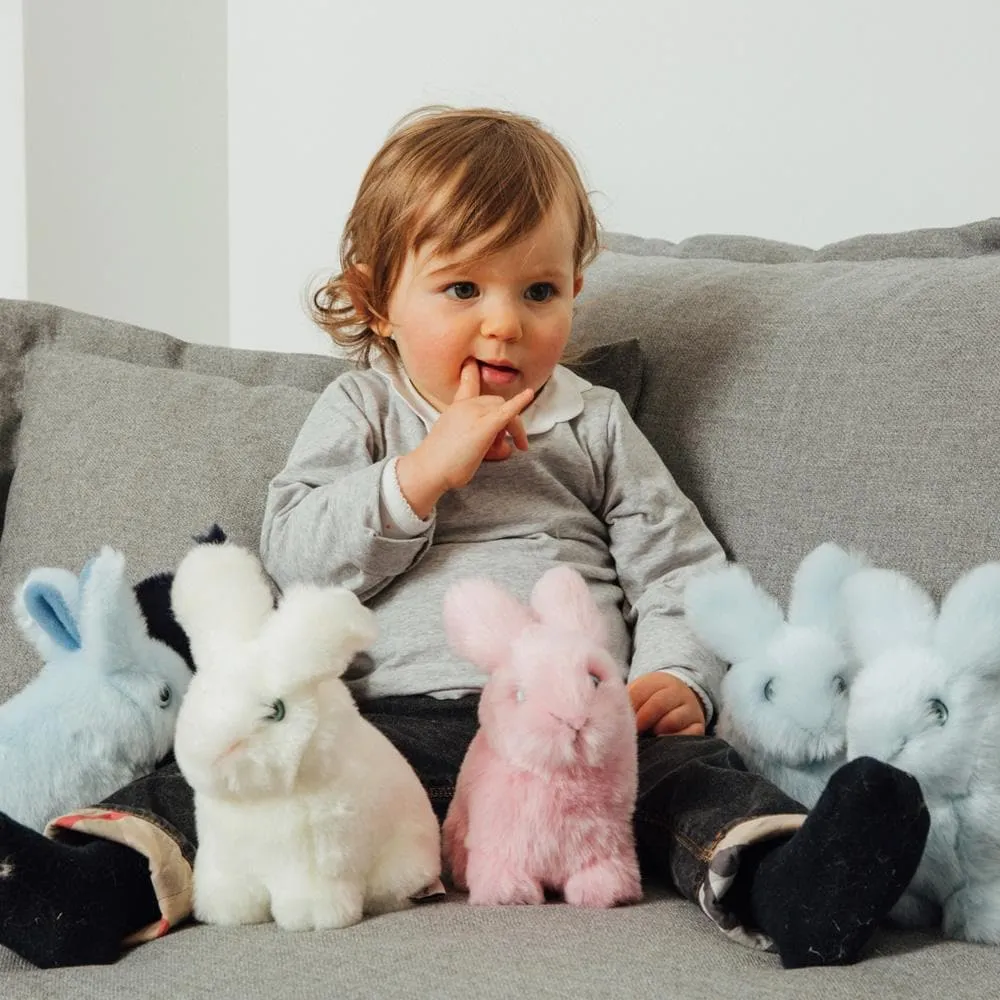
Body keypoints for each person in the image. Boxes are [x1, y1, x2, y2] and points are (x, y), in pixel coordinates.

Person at [0, 107, 928, 971]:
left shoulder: (592, 421)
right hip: (382, 727)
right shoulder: (362, 408)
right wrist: (420, 475)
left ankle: (790, 882)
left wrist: (677, 676)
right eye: (461, 287)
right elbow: (292, 557)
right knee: (227, 775)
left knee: (691, 779)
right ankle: (92, 884)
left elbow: (678, 568)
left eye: (538, 288)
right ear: (376, 301)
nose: (505, 321)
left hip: (569, 735)